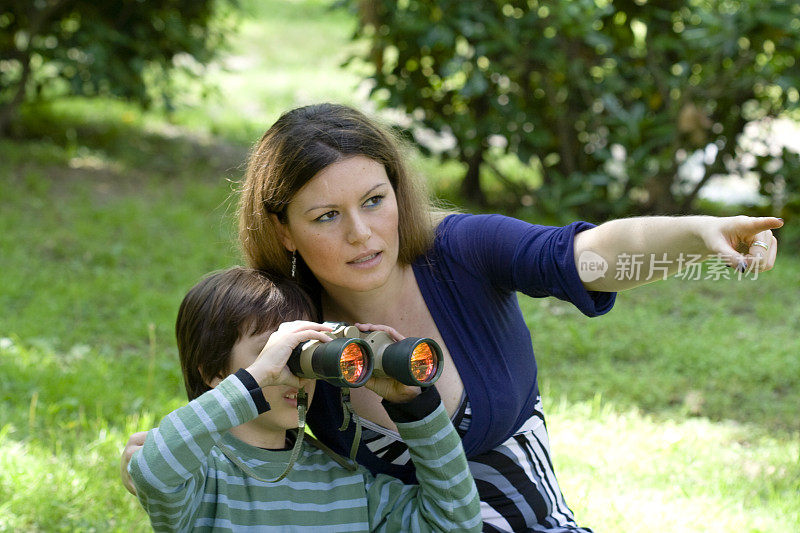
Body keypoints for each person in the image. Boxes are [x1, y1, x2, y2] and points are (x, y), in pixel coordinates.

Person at [122, 103, 782, 532]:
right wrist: (162, 455)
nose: (362, 233)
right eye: (327, 216)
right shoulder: (295, 333)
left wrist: (699, 234)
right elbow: (232, 419)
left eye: (375, 200)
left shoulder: (459, 250)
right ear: (284, 229)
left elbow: (584, 255)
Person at [126, 266, 481, 532]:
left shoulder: (344, 479)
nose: (290, 369)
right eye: (273, 351)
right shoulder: (200, 472)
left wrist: (414, 407)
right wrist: (257, 377)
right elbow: (154, 475)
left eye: (302, 353)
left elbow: (455, 524)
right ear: (213, 372)